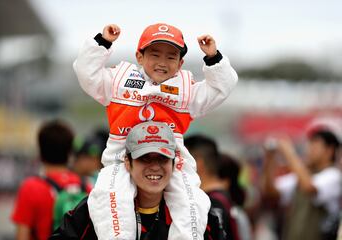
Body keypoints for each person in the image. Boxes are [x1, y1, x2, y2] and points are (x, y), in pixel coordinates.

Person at [73, 22, 238, 240]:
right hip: (120, 160)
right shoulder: (119, 79)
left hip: (173, 163)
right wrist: (102, 43)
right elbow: (86, 73)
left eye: (171, 57)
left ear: (181, 63)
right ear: (139, 56)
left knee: (194, 204)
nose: (162, 63)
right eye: (155, 54)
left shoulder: (186, 89)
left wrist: (214, 58)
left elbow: (221, 88)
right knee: (109, 198)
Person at [50, 121, 225, 240]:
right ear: (128, 162)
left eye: (162, 159)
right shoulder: (99, 205)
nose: (155, 167)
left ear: (174, 163)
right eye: (145, 158)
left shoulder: (194, 209)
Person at [261, 117, 342, 240]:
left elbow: (309, 187)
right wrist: (269, 159)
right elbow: (270, 191)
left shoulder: (333, 175)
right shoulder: (301, 175)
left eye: (314, 145)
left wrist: (289, 152)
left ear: (329, 150)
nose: (309, 149)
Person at [11, 119, 91, 240]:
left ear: (40, 151)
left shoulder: (30, 188)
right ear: (70, 152)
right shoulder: (85, 186)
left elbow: (22, 235)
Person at [185, 135, 253, 240]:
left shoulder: (211, 203)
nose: (178, 165)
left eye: (182, 158)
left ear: (198, 163)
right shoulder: (222, 198)